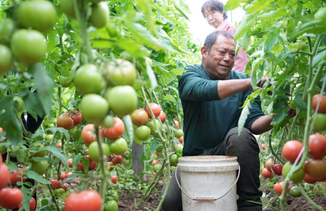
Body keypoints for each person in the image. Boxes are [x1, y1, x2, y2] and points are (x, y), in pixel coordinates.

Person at [162, 31, 274, 211]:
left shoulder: (243, 81)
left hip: (229, 157)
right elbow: (202, 90)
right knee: (169, 201)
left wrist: (276, 117)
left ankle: (250, 203)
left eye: (232, 54)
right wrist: (249, 83)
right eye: (222, 52)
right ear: (204, 51)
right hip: (194, 159)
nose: (227, 58)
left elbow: (254, 123)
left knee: (241, 135)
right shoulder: (189, 74)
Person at [202, 0, 248, 74]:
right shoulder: (218, 32)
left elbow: (239, 57)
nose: (210, 18)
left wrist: (235, 77)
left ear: (222, 12)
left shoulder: (229, 29)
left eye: (212, 13)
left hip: (236, 74)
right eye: (206, 16)